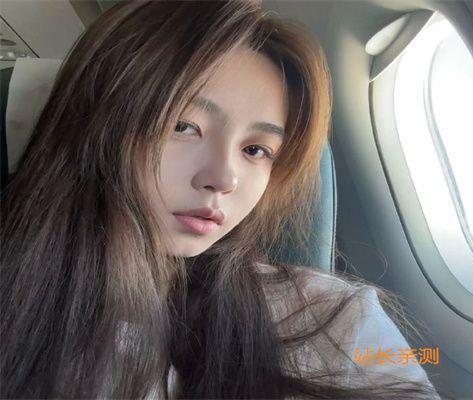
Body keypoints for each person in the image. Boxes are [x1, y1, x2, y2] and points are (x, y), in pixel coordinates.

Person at [0, 1, 440, 398]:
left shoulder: (333, 320)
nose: (224, 178)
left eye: (256, 150)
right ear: (94, 125)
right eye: (183, 126)